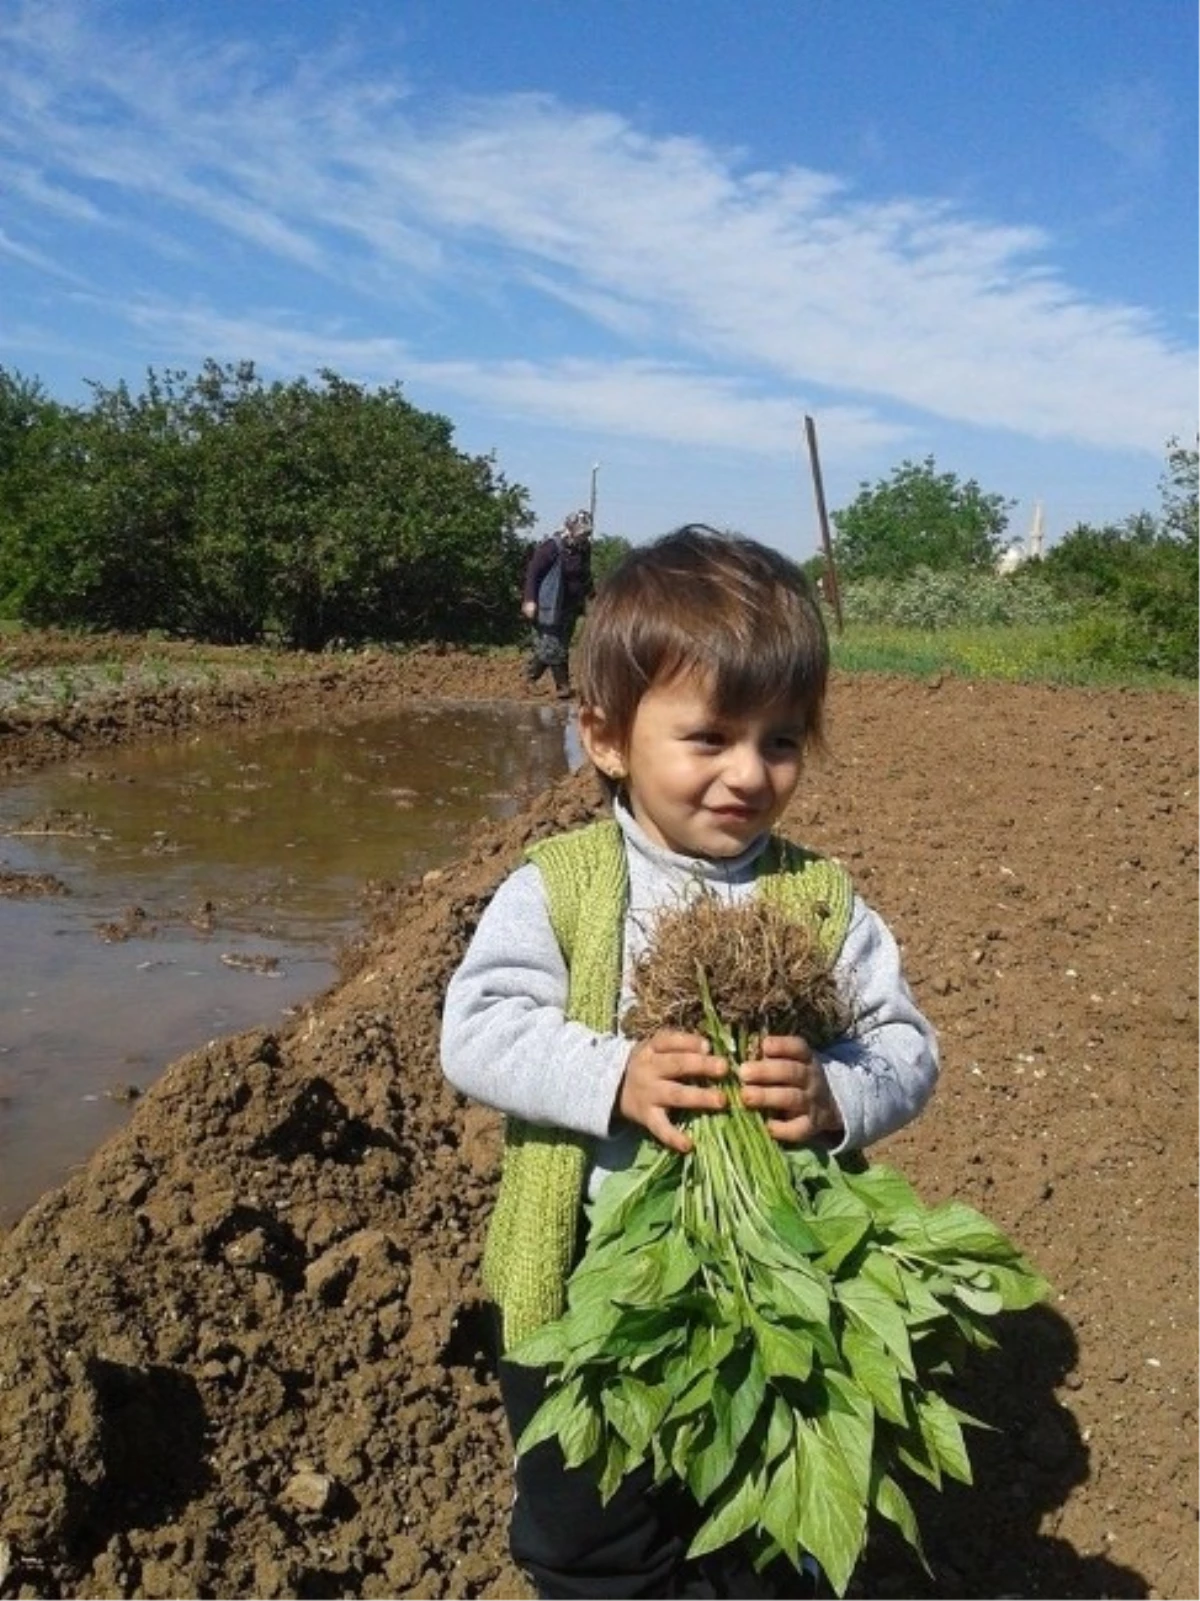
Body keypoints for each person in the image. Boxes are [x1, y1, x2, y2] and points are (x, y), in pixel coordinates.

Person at [442, 525, 939, 1601]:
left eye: (782, 741)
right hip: (576, 1302)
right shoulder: (563, 885)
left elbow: (906, 1047)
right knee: (589, 1537)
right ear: (605, 737)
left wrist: (836, 1090)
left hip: (770, 1302)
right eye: (709, 737)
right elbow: (474, 1026)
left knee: (761, 1530)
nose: (748, 774)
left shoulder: (819, 901)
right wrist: (610, 1073)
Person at [521, 508, 594, 698]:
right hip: (549, 603)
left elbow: (585, 574)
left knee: (555, 645)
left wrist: (592, 594)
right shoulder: (551, 547)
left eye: (586, 533)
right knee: (554, 645)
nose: (583, 537)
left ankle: (529, 679)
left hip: (570, 605)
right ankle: (563, 687)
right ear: (569, 529)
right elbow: (533, 574)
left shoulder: (584, 548)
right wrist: (529, 600)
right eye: (581, 533)